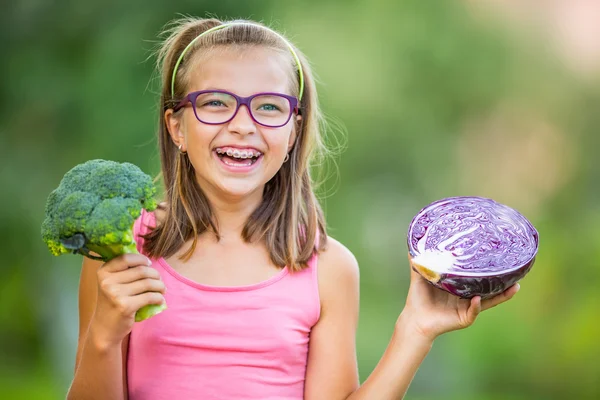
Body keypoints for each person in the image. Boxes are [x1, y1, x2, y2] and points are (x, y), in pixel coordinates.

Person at [67, 16, 520, 400]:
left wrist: (416, 329)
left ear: (293, 131)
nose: (242, 125)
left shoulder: (328, 268)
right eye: (216, 103)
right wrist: (104, 335)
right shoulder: (122, 248)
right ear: (176, 127)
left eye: (268, 107)